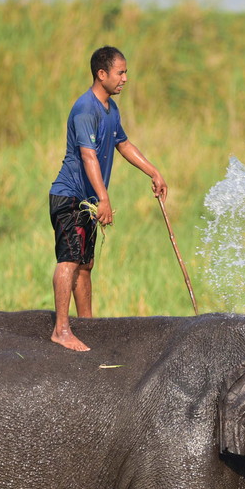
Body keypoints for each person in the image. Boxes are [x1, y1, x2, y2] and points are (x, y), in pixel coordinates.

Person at [48, 46, 168, 351]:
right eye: (120, 72)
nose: (125, 78)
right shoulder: (85, 109)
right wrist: (104, 199)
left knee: (86, 265)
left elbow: (123, 144)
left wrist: (153, 171)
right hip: (71, 197)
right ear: (102, 74)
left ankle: (88, 325)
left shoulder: (110, 110)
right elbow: (88, 156)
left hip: (87, 200)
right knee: (70, 260)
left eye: (126, 72)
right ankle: (61, 330)